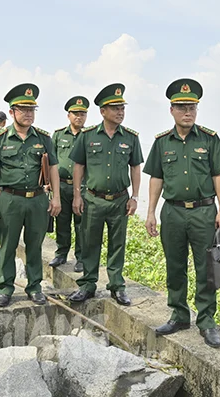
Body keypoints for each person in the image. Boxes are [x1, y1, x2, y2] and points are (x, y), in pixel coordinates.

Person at [143, 78, 220, 348]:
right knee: (175, 266)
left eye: (192, 107)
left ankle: (206, 322)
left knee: (206, 269)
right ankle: (179, 315)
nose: (187, 112)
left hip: (204, 211)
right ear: (172, 110)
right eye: (181, 107)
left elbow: (219, 175)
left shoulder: (210, 139)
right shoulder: (161, 142)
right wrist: (150, 212)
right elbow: (156, 178)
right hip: (173, 213)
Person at [0, 84, 61, 308]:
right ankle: (5, 287)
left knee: (35, 244)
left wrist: (56, 198)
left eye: (32, 109)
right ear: (11, 112)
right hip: (10, 199)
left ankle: (34, 286)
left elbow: (53, 169)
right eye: (23, 109)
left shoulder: (44, 138)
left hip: (37, 199)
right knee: (7, 244)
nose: (28, 114)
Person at [68, 83, 143, 306]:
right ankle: (88, 285)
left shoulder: (130, 138)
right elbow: (78, 166)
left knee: (117, 244)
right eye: (115, 108)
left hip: (120, 200)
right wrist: (77, 196)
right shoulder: (88, 136)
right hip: (93, 199)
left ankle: (117, 286)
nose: (120, 112)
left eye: (122, 108)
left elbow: (135, 168)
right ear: (103, 111)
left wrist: (135, 197)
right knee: (90, 243)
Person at [49, 96, 89, 272]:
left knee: (82, 225)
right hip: (62, 185)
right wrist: (48, 184)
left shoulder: (89, 136)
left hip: (82, 187)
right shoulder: (58, 135)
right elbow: (50, 160)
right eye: (76, 114)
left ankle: (81, 258)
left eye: (83, 114)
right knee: (62, 221)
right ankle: (61, 253)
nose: (79, 117)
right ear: (69, 116)